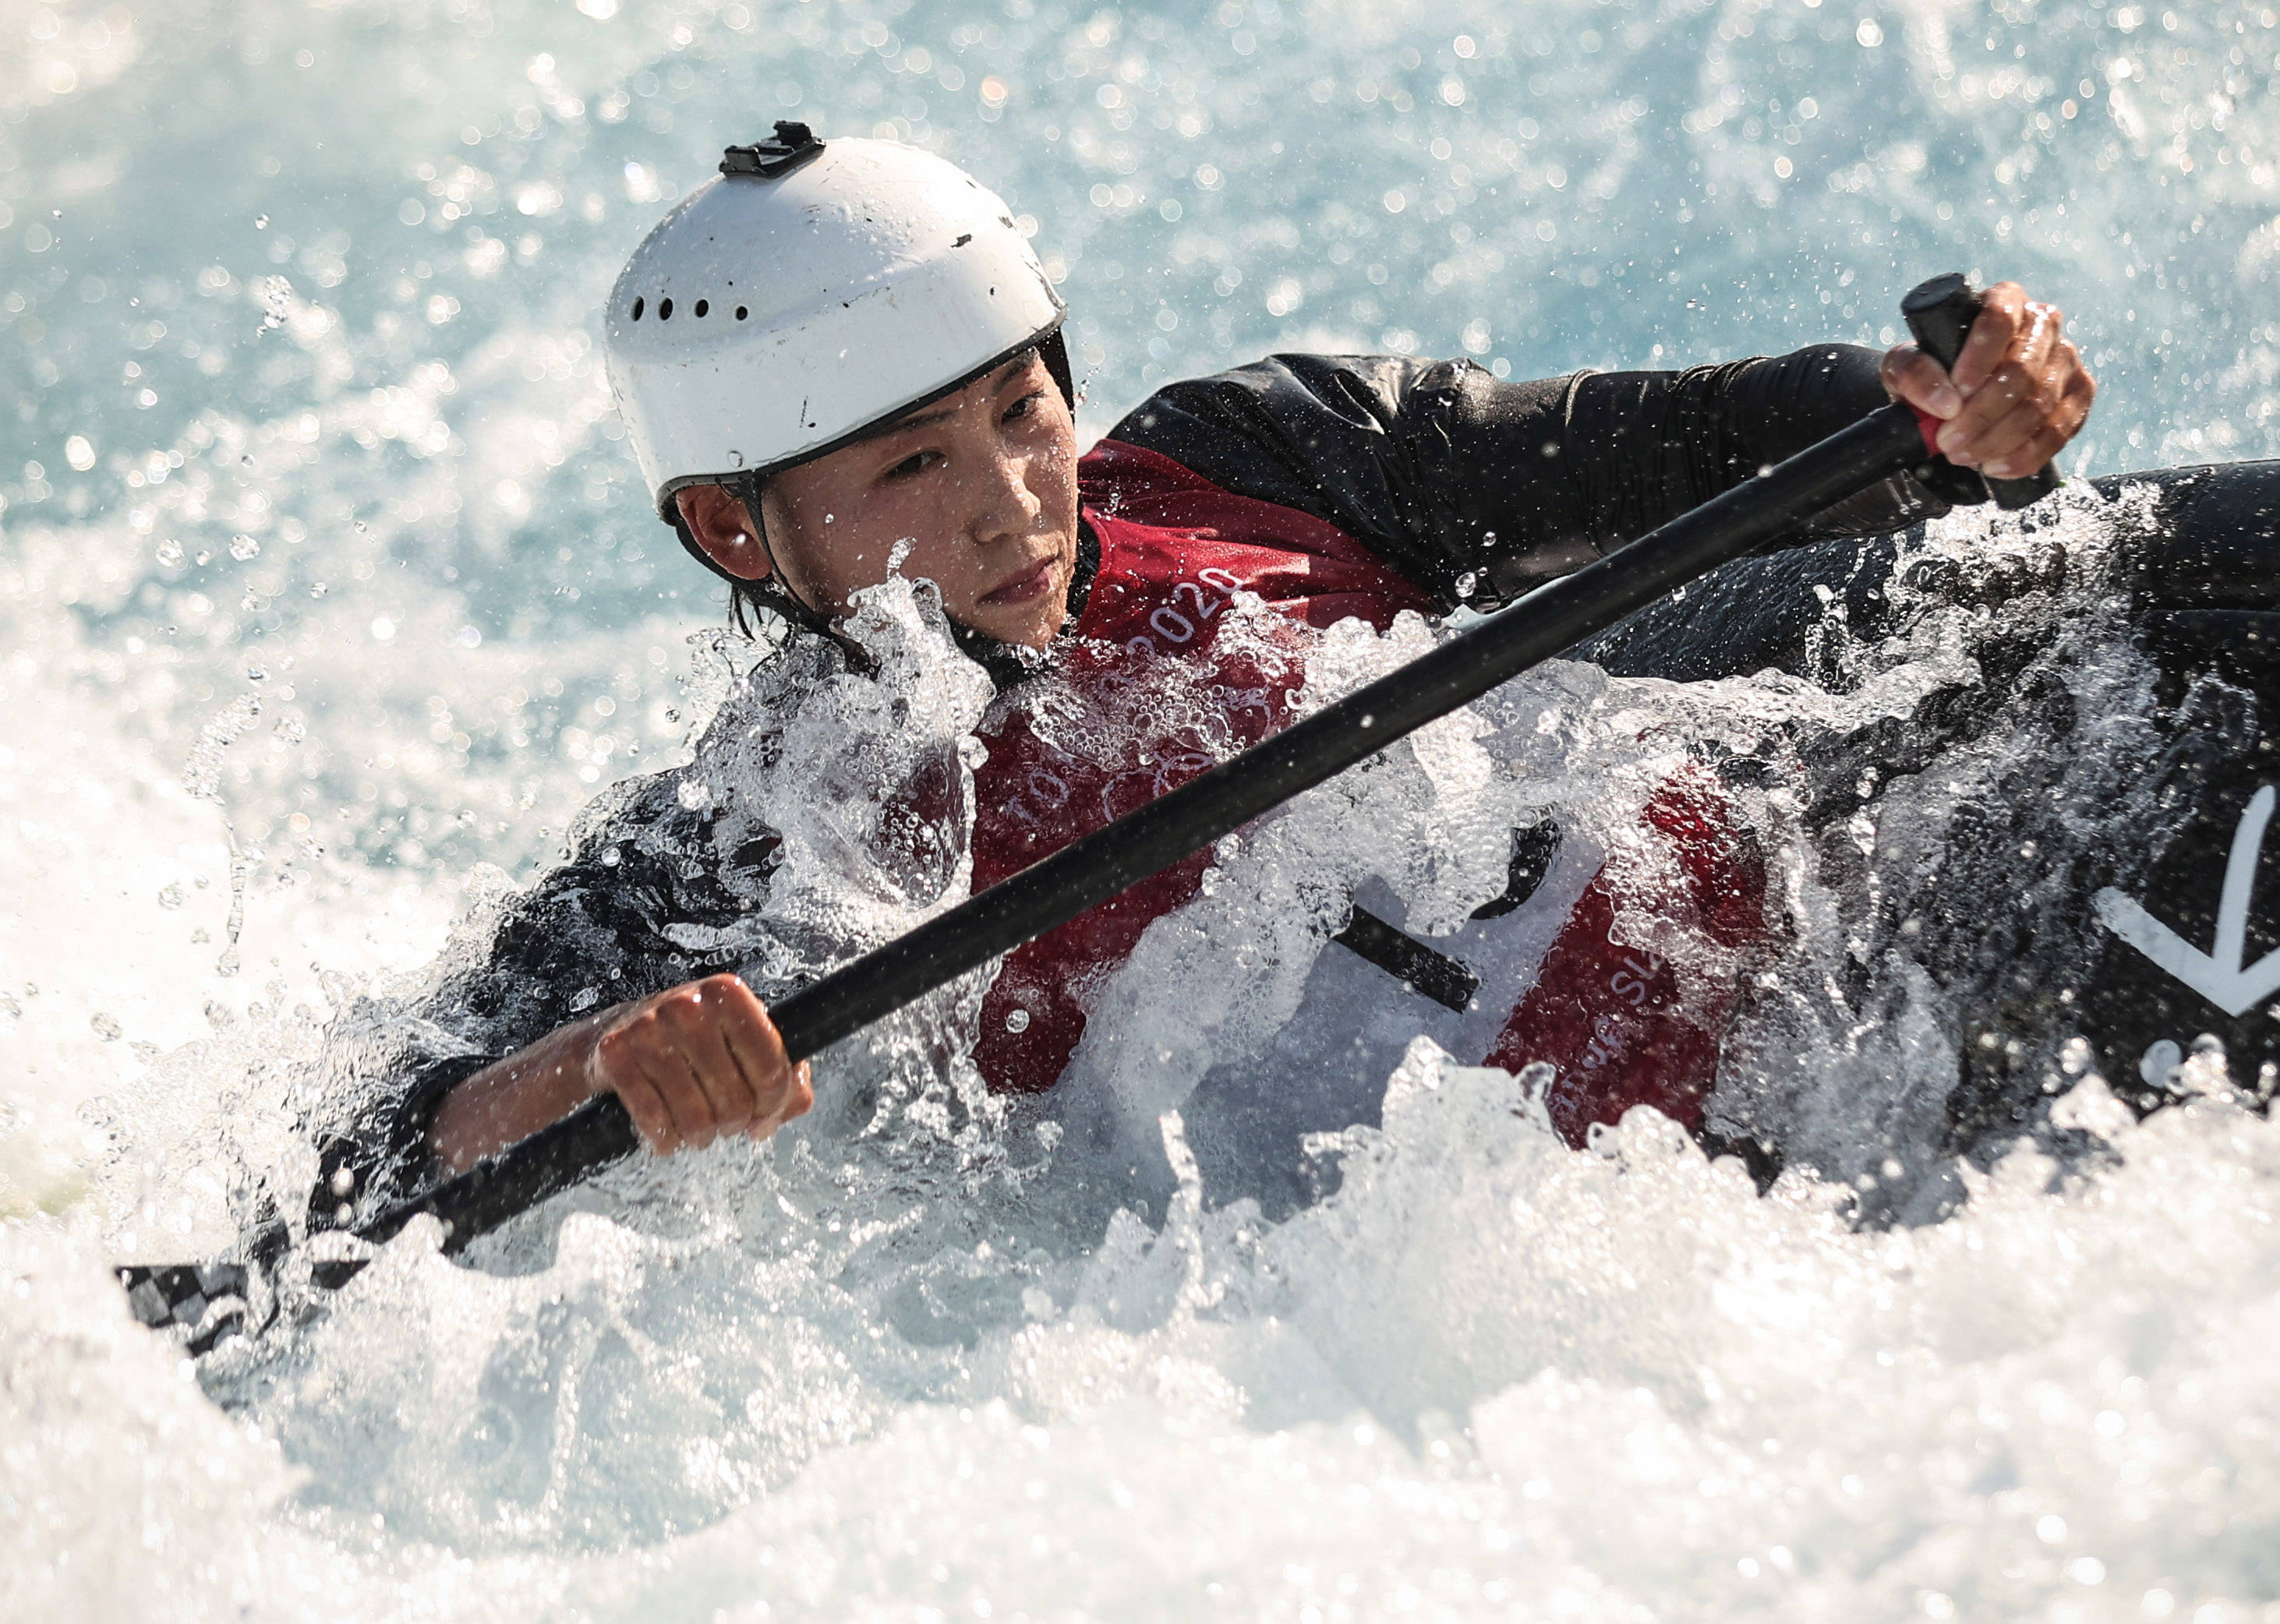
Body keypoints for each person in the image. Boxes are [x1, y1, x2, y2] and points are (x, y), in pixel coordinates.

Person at [316, 125, 2094, 1223]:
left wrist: (1930, 412)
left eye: (1024, 409)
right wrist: (608, 1073)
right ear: (733, 532)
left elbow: (1684, 447)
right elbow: (384, 1160)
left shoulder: (1266, 450)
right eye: (911, 469)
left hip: (1846, 979)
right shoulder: (755, 835)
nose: (1016, 500)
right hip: (1553, 1269)